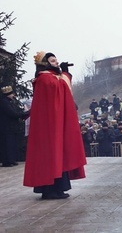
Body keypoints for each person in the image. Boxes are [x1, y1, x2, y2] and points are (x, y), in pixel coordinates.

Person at [24, 51, 86, 200]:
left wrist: (63, 73)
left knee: (59, 155)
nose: (56, 63)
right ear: (44, 63)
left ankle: (58, 188)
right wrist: (65, 73)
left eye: (56, 60)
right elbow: (60, 87)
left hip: (54, 125)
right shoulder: (45, 78)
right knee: (51, 155)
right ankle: (49, 190)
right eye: (52, 61)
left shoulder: (50, 77)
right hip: (49, 128)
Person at [0, 86, 30, 167]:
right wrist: (25, 113)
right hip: (6, 127)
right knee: (7, 144)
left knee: (11, 143)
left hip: (10, 127)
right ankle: (7, 161)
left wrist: (24, 113)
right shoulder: (4, 102)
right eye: (12, 94)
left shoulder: (9, 102)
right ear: (8, 94)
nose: (13, 95)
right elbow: (12, 113)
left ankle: (11, 159)